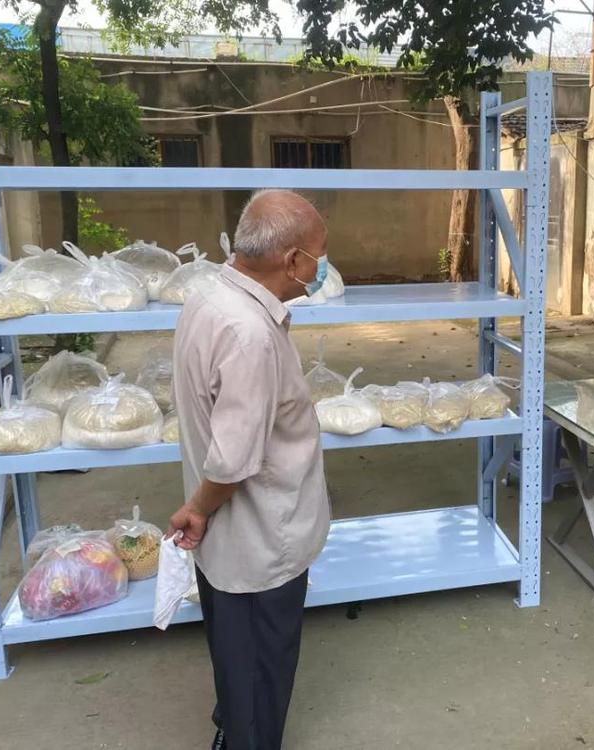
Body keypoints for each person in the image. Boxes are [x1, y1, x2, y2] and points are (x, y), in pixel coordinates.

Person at [168, 189, 332, 749]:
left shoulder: (208, 296)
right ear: (292, 260)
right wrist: (197, 510)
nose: (322, 266)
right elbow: (235, 460)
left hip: (229, 542)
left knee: (234, 650)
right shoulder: (250, 333)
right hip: (261, 537)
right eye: (319, 255)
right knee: (263, 664)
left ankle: (233, 725)